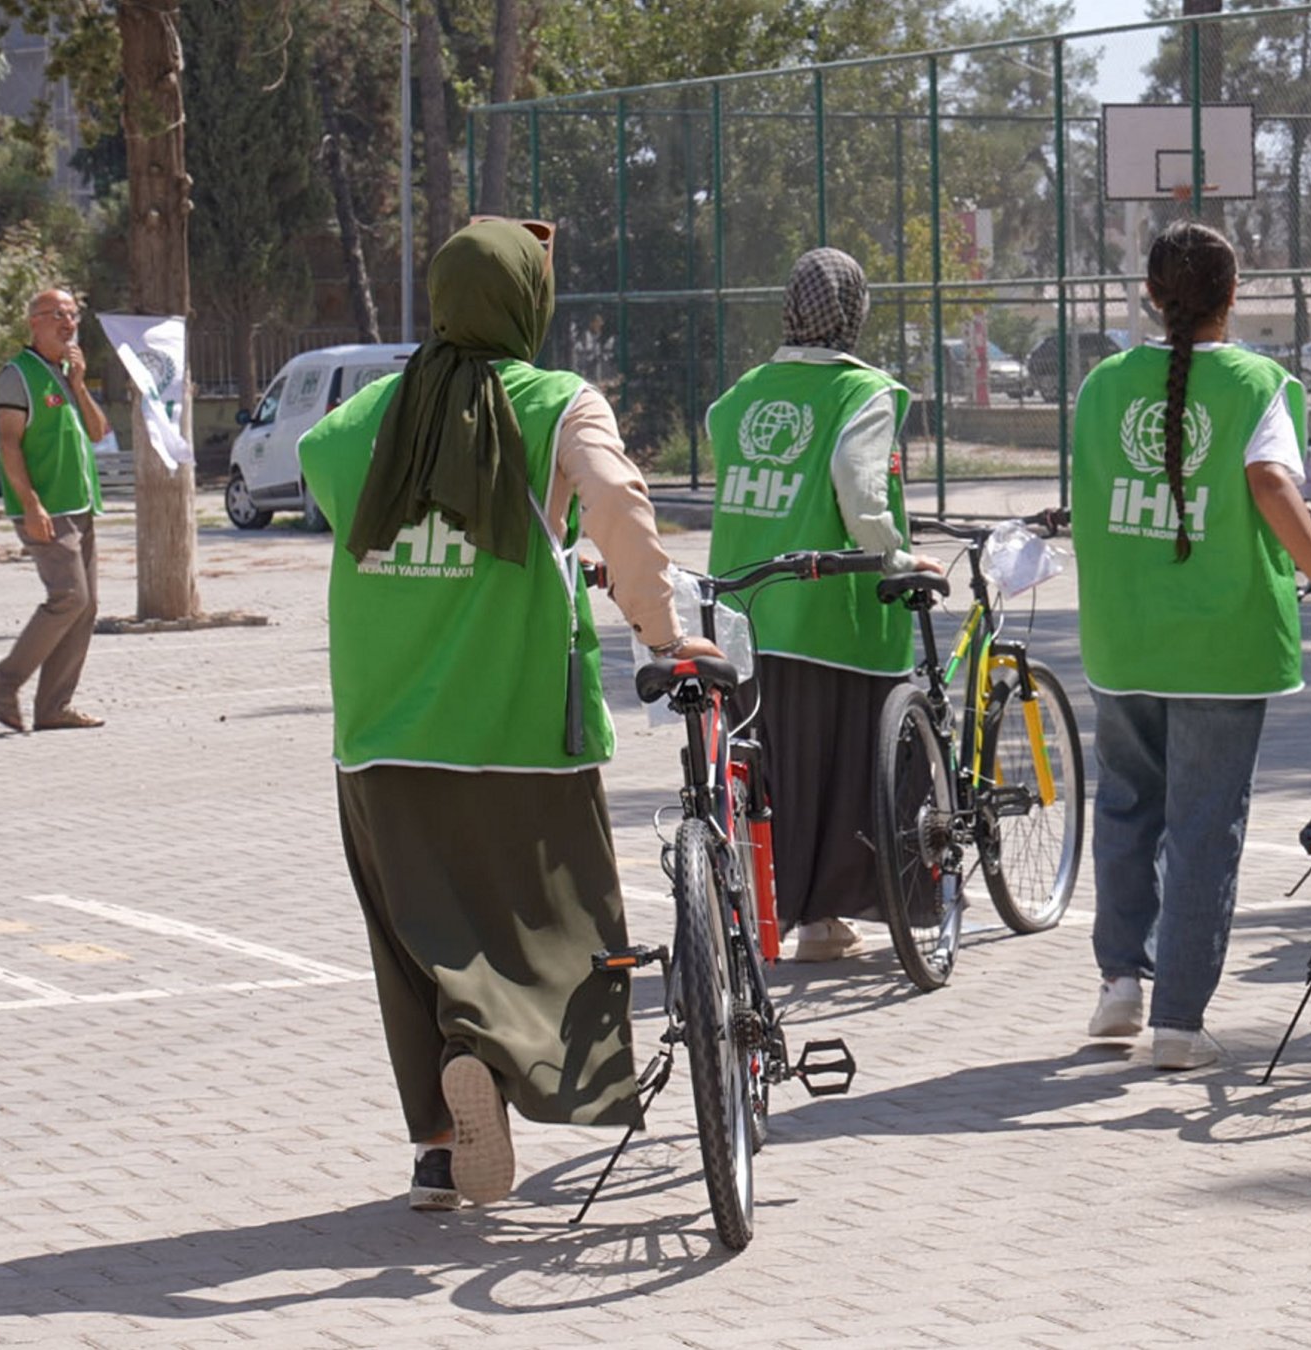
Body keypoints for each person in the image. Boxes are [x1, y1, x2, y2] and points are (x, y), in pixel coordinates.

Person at [298, 221, 723, 1212]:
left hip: (378, 731)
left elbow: (321, 464)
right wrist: (662, 634)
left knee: (413, 939)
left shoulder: (358, 422)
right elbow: (618, 505)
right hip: (515, 727)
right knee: (549, 927)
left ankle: (440, 1148)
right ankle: (493, 1060)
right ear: (525, 306)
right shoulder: (553, 404)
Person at [1073, 220, 1311, 1070]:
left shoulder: (1102, 385)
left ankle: (1119, 985)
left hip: (1123, 634)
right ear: (1233, 295)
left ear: (1150, 294)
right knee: (1205, 826)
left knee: (1128, 808)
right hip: (1218, 638)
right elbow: (1270, 482)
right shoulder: (1257, 383)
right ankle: (1176, 1022)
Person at [706, 248, 931, 962]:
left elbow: (728, 447)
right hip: (829, 614)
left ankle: (775, 913)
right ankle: (822, 917)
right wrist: (894, 555)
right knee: (839, 774)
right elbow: (858, 489)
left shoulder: (741, 394)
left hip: (744, 610)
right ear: (855, 311)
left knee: (772, 774)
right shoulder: (864, 393)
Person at [0, 288, 111, 734]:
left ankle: (53, 707)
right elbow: (8, 445)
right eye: (58, 315)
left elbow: (99, 432)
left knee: (86, 606)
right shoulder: (17, 376)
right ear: (35, 323)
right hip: (47, 510)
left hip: (81, 507)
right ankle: (4, 684)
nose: (68, 323)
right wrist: (30, 506)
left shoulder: (67, 375)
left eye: (73, 315)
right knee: (69, 597)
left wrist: (80, 384)